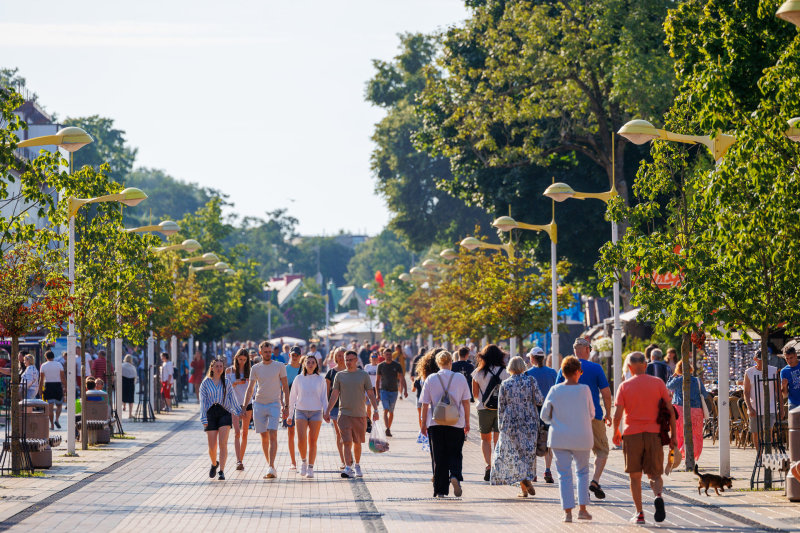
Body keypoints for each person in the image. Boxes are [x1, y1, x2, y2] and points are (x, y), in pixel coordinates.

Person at [612, 352, 675, 525]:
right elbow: (670, 411)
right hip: (654, 434)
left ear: (630, 368)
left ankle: (639, 513)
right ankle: (658, 495)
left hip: (632, 434)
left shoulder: (624, 386)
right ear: (646, 365)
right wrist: (674, 436)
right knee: (655, 473)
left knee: (635, 476)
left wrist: (616, 432)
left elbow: (617, 414)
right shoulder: (658, 383)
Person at [555, 337, 612, 500]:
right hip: (594, 417)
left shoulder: (564, 369)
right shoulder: (595, 368)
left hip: (572, 418)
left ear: (575, 351)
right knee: (601, 450)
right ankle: (595, 481)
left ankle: (583, 487)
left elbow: (557, 392)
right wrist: (608, 413)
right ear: (587, 350)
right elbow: (606, 394)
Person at [541, 356, 594, 523]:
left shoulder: (555, 390)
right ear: (578, 372)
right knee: (583, 472)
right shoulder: (585, 390)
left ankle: (568, 513)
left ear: (563, 372)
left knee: (564, 475)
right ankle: (583, 509)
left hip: (559, 437)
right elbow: (592, 413)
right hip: (581, 437)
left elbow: (544, 415)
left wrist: (555, 422)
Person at [490, 356, 543, 498]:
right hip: (529, 422)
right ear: (523, 367)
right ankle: (526, 480)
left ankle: (524, 487)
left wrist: (501, 426)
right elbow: (539, 400)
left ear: (510, 368)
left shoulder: (505, 384)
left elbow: (501, 407)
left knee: (515, 455)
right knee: (527, 454)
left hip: (511, 423)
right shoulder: (531, 381)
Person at [420, 350, 471, 498]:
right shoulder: (460, 378)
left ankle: (440, 490)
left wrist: (423, 424)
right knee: (455, 452)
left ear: (438, 363)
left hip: (435, 422)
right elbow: (466, 402)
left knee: (439, 455)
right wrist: (467, 422)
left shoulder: (431, 378)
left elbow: (424, 404)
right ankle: (454, 475)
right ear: (451, 362)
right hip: (456, 422)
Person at [324, 350, 379, 479]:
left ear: (356, 360)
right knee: (346, 441)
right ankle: (348, 467)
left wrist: (375, 410)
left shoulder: (363, 375)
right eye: (346, 359)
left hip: (359, 414)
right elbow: (334, 395)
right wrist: (327, 411)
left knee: (357, 443)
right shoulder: (339, 376)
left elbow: (370, 394)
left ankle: (357, 464)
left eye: (351, 360)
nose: (348, 362)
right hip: (344, 414)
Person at [241, 340, 290, 479]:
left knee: (273, 433)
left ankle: (271, 466)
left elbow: (285, 387)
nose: (268, 354)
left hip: (274, 404)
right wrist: (244, 407)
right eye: (265, 352)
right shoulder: (255, 368)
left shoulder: (280, 366)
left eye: (270, 351)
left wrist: (286, 406)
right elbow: (250, 389)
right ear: (260, 352)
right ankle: (270, 465)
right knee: (263, 436)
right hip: (259, 404)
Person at [199, 357, 241, 480]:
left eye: (221, 366)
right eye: (216, 366)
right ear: (212, 368)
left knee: (223, 443)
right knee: (212, 447)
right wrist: (203, 418)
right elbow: (202, 402)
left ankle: (221, 471)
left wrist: (238, 411)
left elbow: (232, 399)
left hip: (224, 413)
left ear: (223, 368)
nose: (218, 369)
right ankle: (214, 464)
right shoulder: (205, 383)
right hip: (210, 414)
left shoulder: (226, 382)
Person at [472, 344, 509, 482]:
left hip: (483, 409)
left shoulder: (478, 373)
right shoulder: (506, 372)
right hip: (501, 409)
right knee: (498, 439)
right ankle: (498, 466)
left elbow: (475, 394)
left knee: (485, 439)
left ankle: (488, 466)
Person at [288, 355, 328, 478]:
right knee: (301, 439)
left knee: (313, 440)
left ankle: (311, 467)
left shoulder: (320, 379)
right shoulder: (298, 378)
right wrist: (290, 415)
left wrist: (326, 412)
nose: (310, 364)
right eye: (308, 362)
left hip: (316, 411)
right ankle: (304, 462)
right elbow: (292, 397)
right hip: (301, 411)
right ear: (304, 364)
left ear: (316, 365)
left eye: (313, 362)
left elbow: (324, 397)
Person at [666, 360, 709, 462]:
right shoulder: (697, 380)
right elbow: (705, 394)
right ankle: (691, 453)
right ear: (690, 368)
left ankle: (682, 452)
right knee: (696, 433)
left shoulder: (678, 380)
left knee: (680, 433)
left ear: (678, 369)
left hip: (680, 409)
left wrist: (673, 376)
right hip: (696, 410)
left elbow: (668, 386)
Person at [525, 346, 557, 483]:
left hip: (533, 413)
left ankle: (532, 473)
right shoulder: (552, 372)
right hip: (550, 412)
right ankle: (548, 470)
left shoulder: (527, 374)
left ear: (532, 358)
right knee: (548, 443)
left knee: (532, 442)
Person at [743, 352, 780, 447]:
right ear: (755, 359)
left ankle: (766, 454)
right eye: (760, 359)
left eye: (765, 359)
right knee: (756, 433)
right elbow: (746, 392)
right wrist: (750, 407)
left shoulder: (774, 370)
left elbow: (778, 391)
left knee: (768, 433)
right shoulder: (749, 372)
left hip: (770, 407)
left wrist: (782, 408)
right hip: (755, 407)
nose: (763, 362)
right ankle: (759, 457)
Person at [227, 348, 252, 471]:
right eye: (240, 359)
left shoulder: (250, 372)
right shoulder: (229, 371)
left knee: (245, 432)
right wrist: (235, 382)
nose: (242, 362)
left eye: (244, 360)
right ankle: (238, 460)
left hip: (247, 404)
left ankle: (241, 458)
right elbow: (225, 386)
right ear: (236, 358)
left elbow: (253, 388)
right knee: (236, 432)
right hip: (234, 404)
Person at [375, 347, 406, 437]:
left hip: (394, 391)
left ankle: (389, 427)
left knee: (391, 411)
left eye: (389, 354)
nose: (388, 356)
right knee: (385, 410)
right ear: (383, 355)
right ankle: (387, 429)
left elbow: (401, 378)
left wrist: (405, 391)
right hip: (384, 391)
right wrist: (377, 393)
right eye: (386, 354)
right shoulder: (380, 366)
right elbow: (377, 380)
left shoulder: (397, 365)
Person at [325, 348, 348, 469]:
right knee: (340, 434)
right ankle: (343, 460)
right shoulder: (331, 373)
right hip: (335, 407)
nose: (340, 357)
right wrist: (326, 408)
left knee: (349, 434)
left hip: (349, 406)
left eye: (343, 355)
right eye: (338, 355)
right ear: (335, 357)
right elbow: (326, 392)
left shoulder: (352, 371)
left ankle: (349, 456)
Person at [285, 346, 303, 470]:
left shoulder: (304, 368)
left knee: (302, 434)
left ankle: (303, 459)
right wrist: (284, 404)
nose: (294, 357)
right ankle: (293, 461)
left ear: (300, 356)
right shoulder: (285, 368)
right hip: (290, 403)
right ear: (289, 355)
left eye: (296, 355)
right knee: (290, 432)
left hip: (302, 403)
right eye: (292, 355)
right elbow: (283, 388)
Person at [40, 350, 66, 429]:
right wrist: (65, 386)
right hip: (57, 385)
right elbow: (62, 377)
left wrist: (40, 389)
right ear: (53, 356)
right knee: (59, 405)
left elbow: (41, 379)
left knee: (50, 407)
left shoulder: (43, 365)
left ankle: (51, 425)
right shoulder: (59, 364)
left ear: (46, 357)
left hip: (48, 385)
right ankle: (57, 419)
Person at [780, 346, 800, 411]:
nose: (789, 361)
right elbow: (784, 395)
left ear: (796, 356)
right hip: (793, 404)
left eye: (791, 358)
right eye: (787, 358)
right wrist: (784, 386)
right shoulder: (784, 371)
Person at [364, 352, 379, 428]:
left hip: (375, 389)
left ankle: (374, 422)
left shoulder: (378, 367)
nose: (374, 358)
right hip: (368, 388)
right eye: (372, 357)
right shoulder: (367, 366)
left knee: (375, 407)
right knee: (368, 406)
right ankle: (368, 422)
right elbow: (364, 378)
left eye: (375, 357)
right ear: (370, 358)